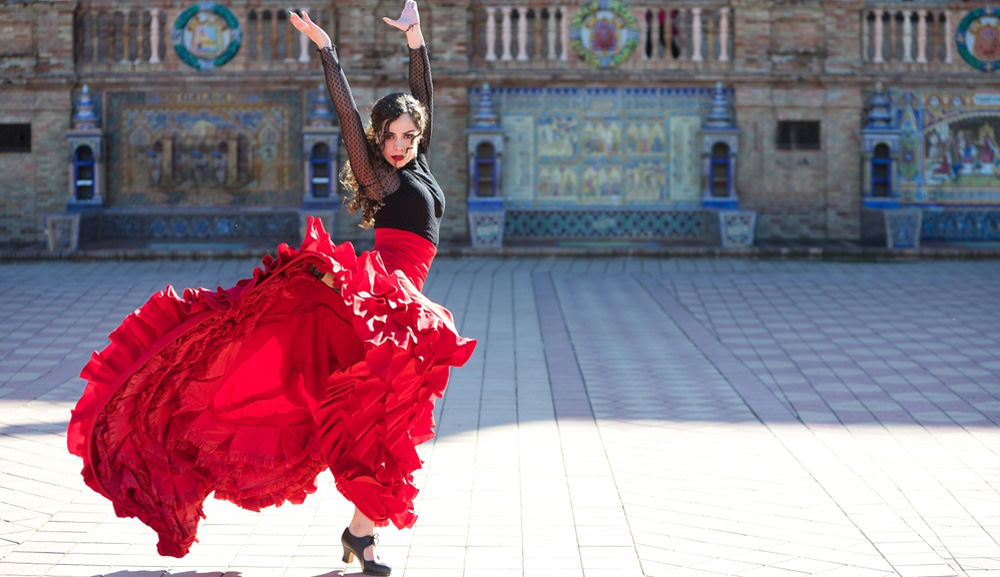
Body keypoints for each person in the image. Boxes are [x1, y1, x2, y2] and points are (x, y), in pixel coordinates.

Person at [67, 3, 475, 576]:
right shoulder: (380, 174)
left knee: (384, 421)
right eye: (389, 136)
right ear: (377, 140)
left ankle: (362, 534)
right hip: (381, 302)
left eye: (408, 135)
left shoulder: (419, 164)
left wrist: (416, 40)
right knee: (380, 416)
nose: (399, 143)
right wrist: (327, 50)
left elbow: (421, 96)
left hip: (402, 306)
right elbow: (346, 114)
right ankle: (363, 535)